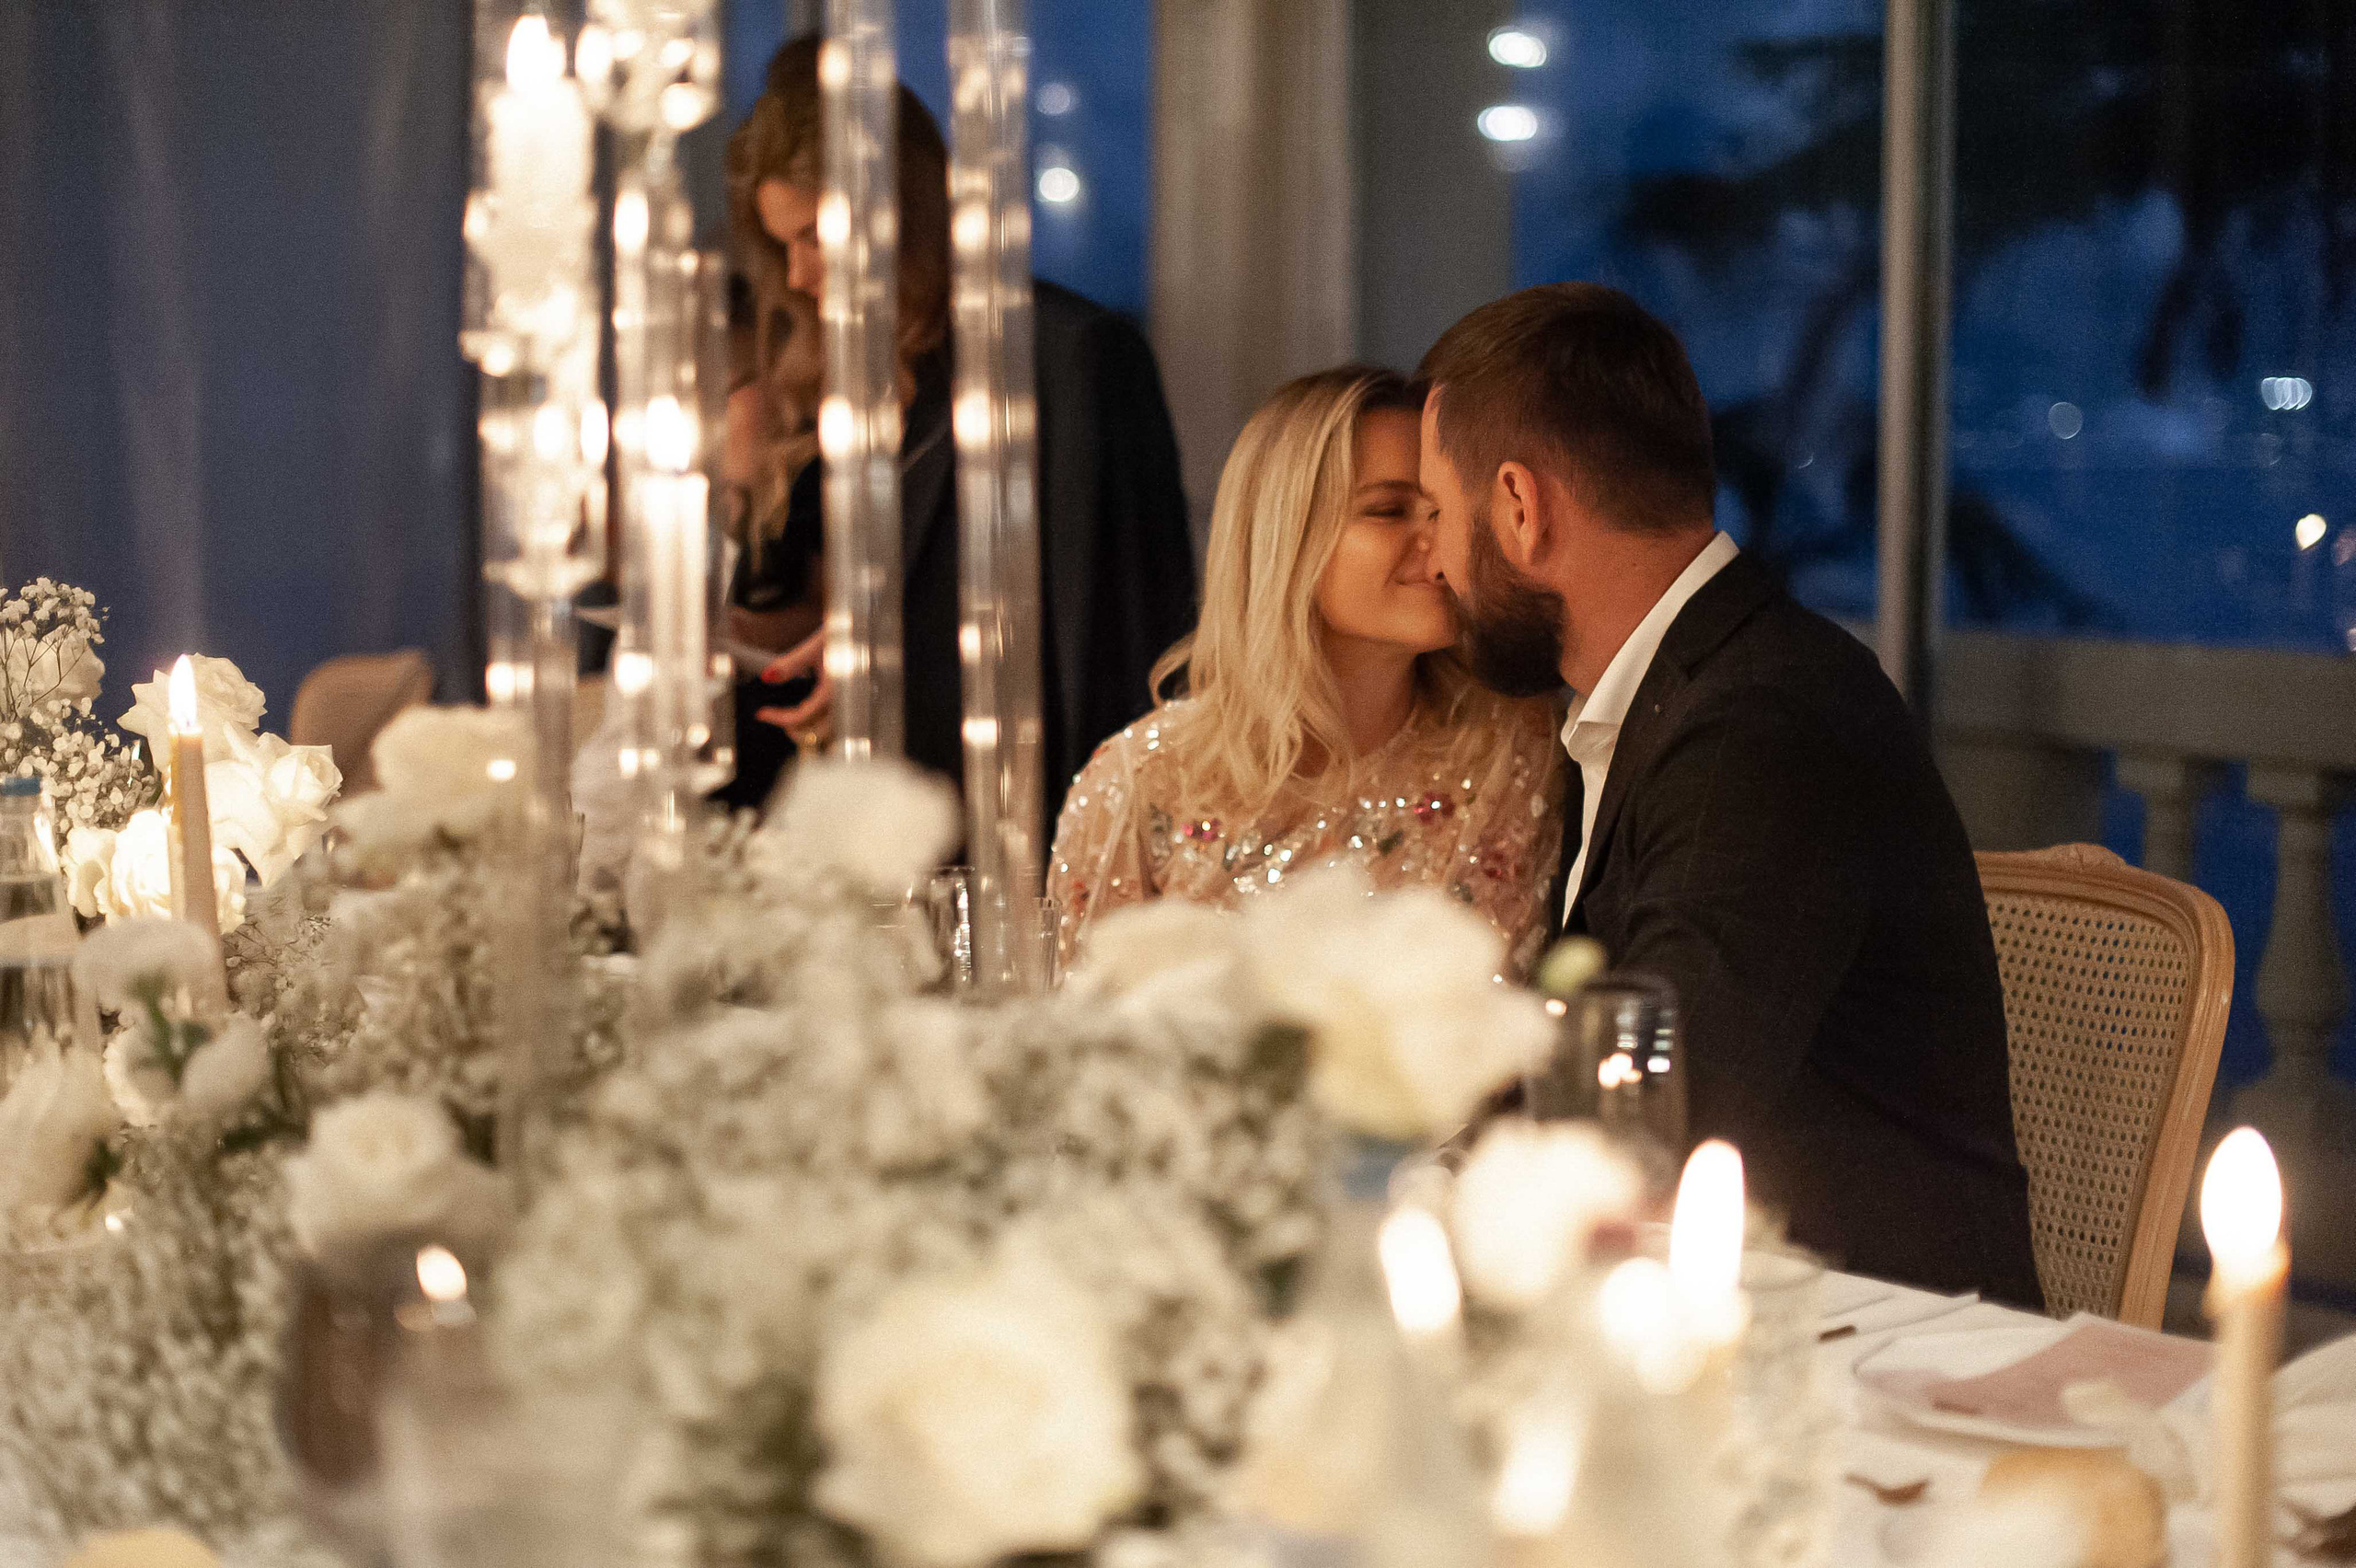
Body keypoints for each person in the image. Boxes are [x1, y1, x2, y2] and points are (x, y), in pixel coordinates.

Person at [1414, 282, 2043, 1307]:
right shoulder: (1667, 691)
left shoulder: (1760, 723)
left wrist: (1396, 1187)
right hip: (1732, 1300)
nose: (1433, 558)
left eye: (1440, 513)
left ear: (1521, 512)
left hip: (1877, 1356)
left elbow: (1657, 1103)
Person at [719, 37, 1197, 821]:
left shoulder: (1068, 359)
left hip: (1040, 820)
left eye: (814, 235)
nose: (800, 276)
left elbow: (1124, 638)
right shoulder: (867, 389)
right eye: (784, 247)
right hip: (910, 817)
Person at [1047, 366, 1565, 975]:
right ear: (1284, 535)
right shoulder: (1140, 783)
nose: (1440, 540)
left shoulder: (1514, 749)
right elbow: (1076, 1045)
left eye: (1443, 509)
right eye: (1390, 509)